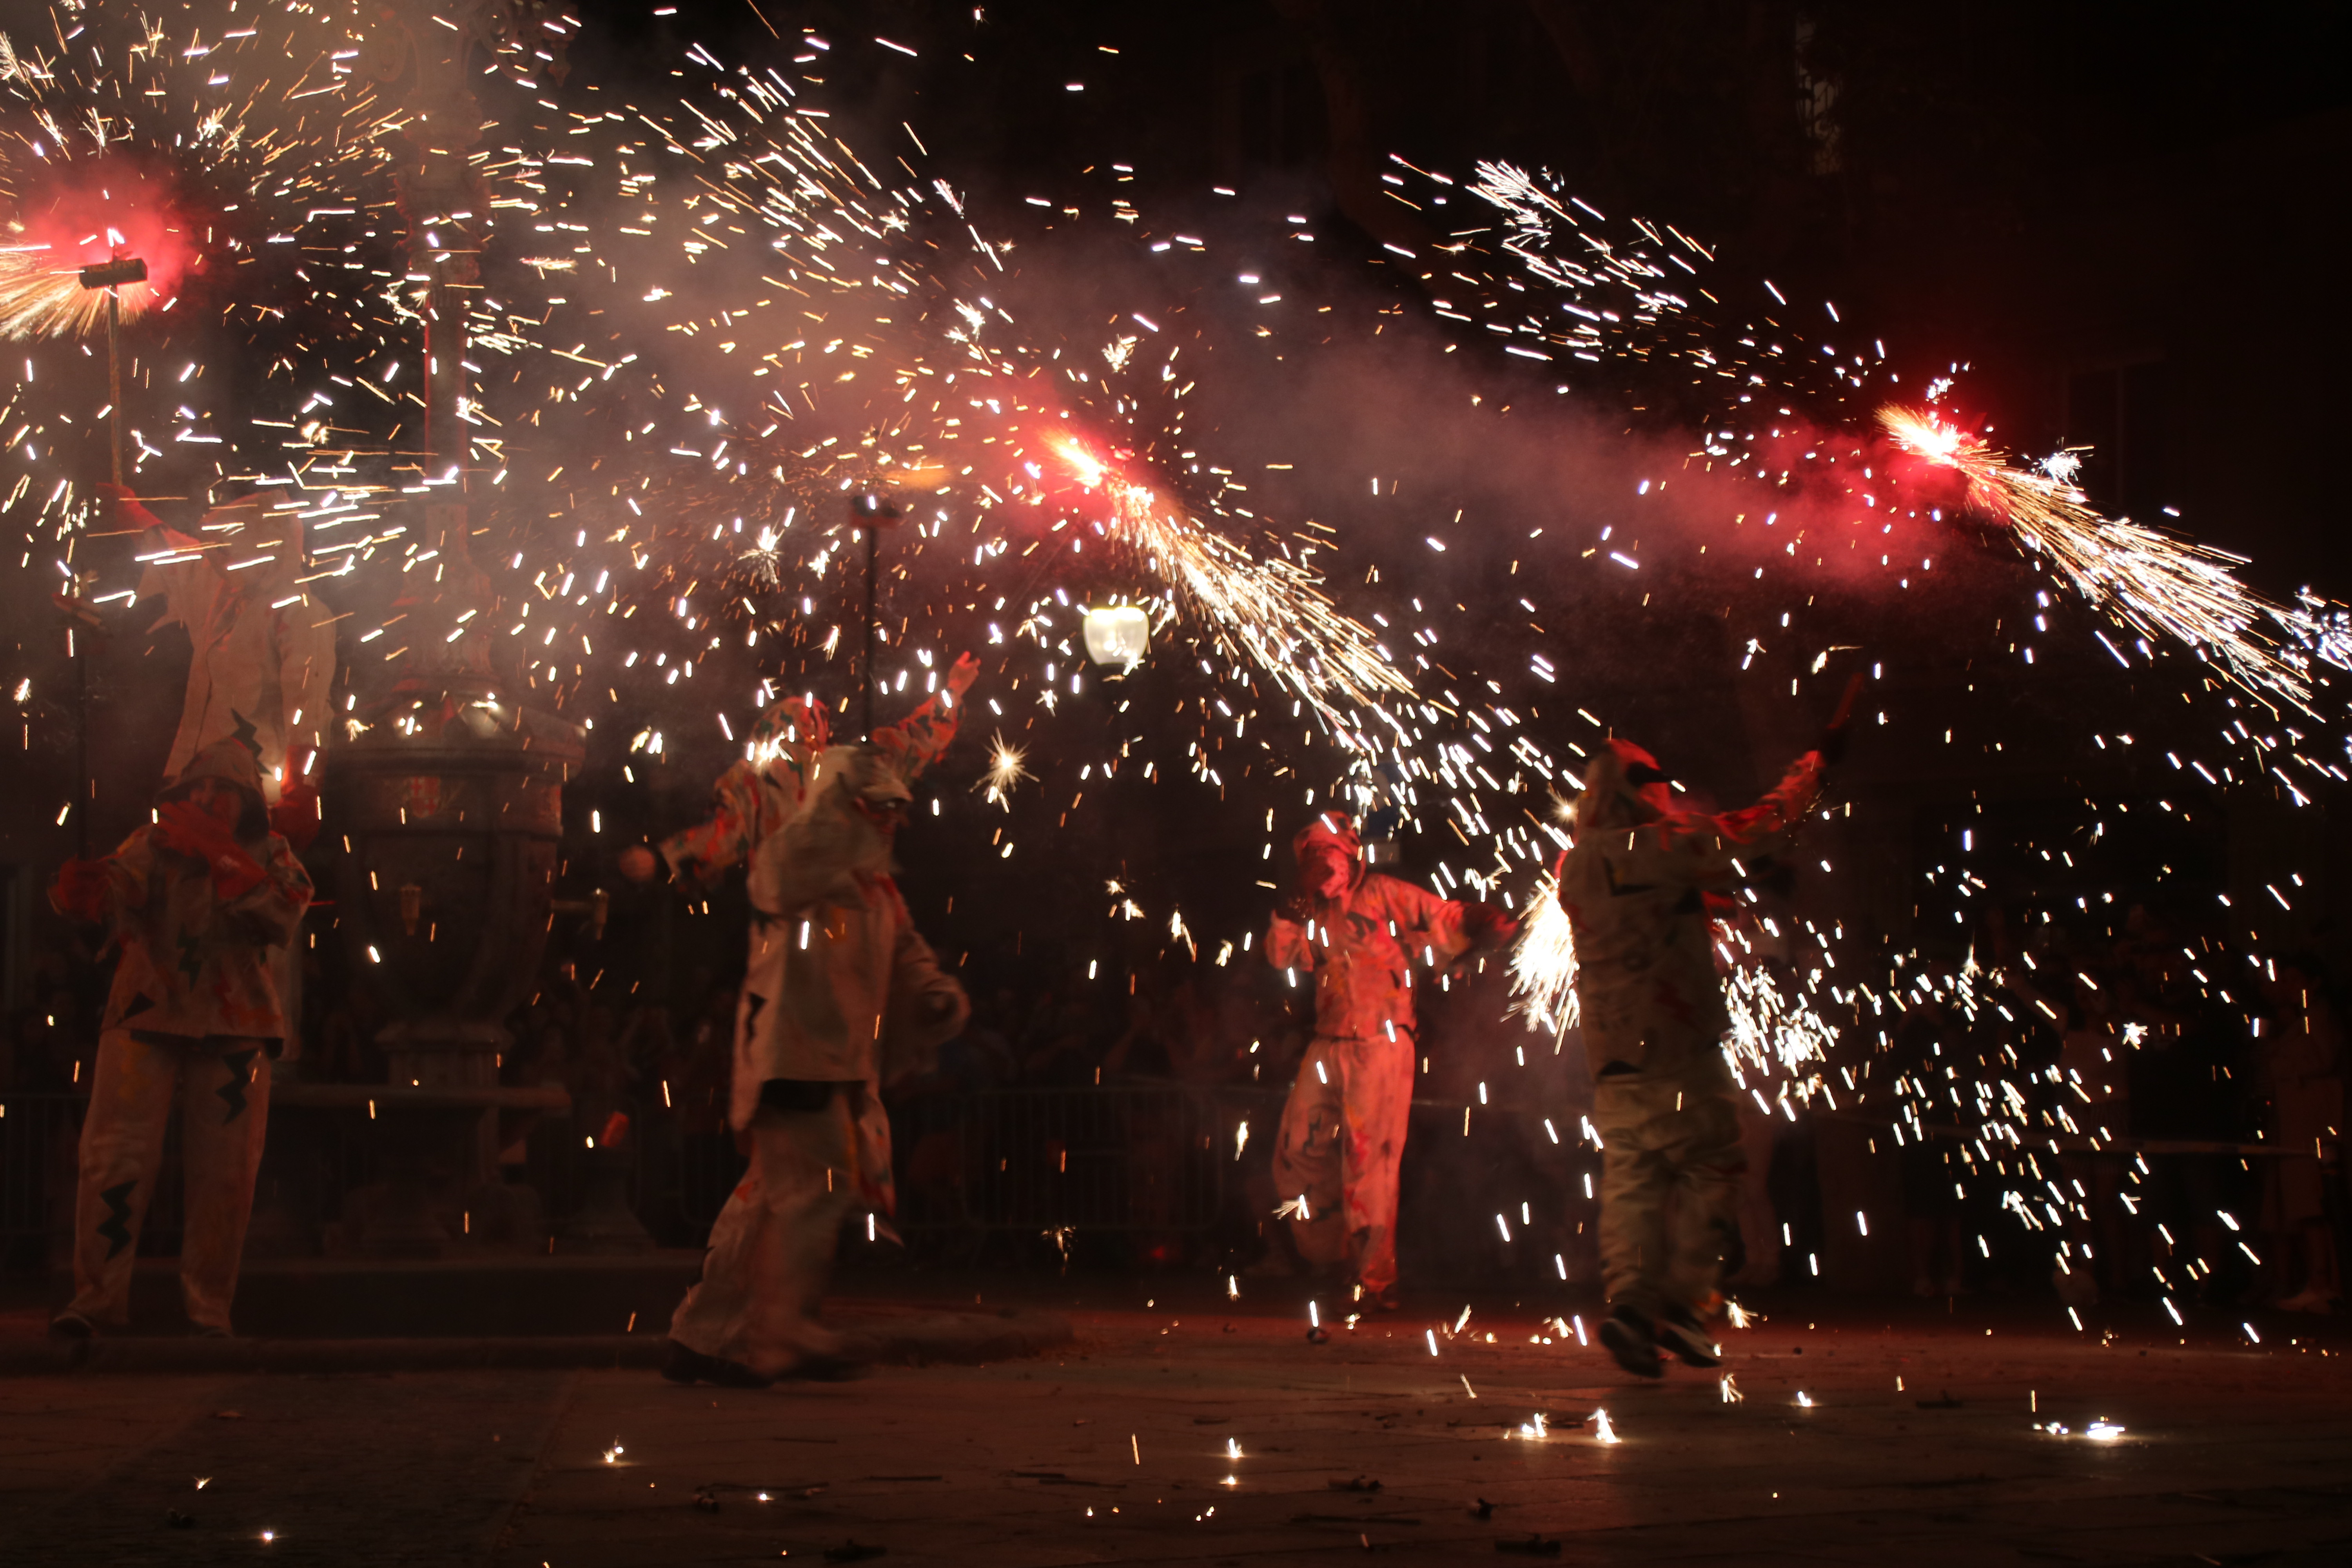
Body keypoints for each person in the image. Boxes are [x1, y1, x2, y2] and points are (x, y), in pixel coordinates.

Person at [662, 742, 970, 1385]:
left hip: (836, 1067)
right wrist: (832, 800)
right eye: (880, 809)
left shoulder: (875, 888)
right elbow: (773, 870)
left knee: (774, 1201)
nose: (893, 823)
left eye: (894, 811)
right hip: (794, 1059)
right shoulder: (802, 866)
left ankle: (707, 1336)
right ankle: (782, 1333)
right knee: (815, 1192)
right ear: (844, 807)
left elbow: (907, 952)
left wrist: (936, 996)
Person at [1556, 737, 1825, 1378]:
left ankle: (1629, 1305)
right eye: (1654, 785)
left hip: (1613, 1060)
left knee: (1634, 1183)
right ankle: (1683, 1306)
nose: (1665, 796)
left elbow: (1665, 902)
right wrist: (1807, 776)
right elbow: (1748, 830)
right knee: (1714, 1164)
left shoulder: (1576, 864)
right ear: (1635, 789)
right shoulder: (1657, 847)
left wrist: (1732, 886)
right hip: (1677, 1045)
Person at [46, 737, 313, 1338]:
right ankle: (95, 1305)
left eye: (223, 790)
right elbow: (116, 888)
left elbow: (282, 916)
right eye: (199, 788)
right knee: (113, 1161)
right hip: (145, 1018)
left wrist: (222, 856)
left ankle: (208, 1312)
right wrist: (82, 893)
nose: (208, 798)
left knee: (225, 1179)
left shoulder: (274, 854)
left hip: (237, 1027)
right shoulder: (151, 845)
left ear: (247, 801)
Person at [1264, 811, 1514, 1309]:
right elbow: (1280, 955)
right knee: (1296, 1154)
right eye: (1309, 856)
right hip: (1328, 1041)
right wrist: (1294, 896)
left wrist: (1478, 919)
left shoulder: (1383, 893)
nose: (1318, 864)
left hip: (1381, 1042)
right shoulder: (1308, 906)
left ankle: (1372, 1283)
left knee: (1369, 1165)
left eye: (1324, 853)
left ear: (1348, 853)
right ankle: (1336, 1253)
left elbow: (1440, 916)